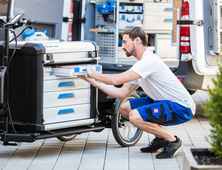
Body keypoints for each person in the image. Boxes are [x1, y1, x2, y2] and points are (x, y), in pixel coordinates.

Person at [78, 27, 195, 159]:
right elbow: (122, 93)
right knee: (124, 108)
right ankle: (160, 138)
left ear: (137, 40)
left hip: (182, 107)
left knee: (134, 116)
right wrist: (93, 82)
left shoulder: (149, 61)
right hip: (162, 102)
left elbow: (116, 80)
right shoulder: (141, 65)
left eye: (125, 42)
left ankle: (173, 141)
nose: (122, 47)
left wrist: (93, 73)